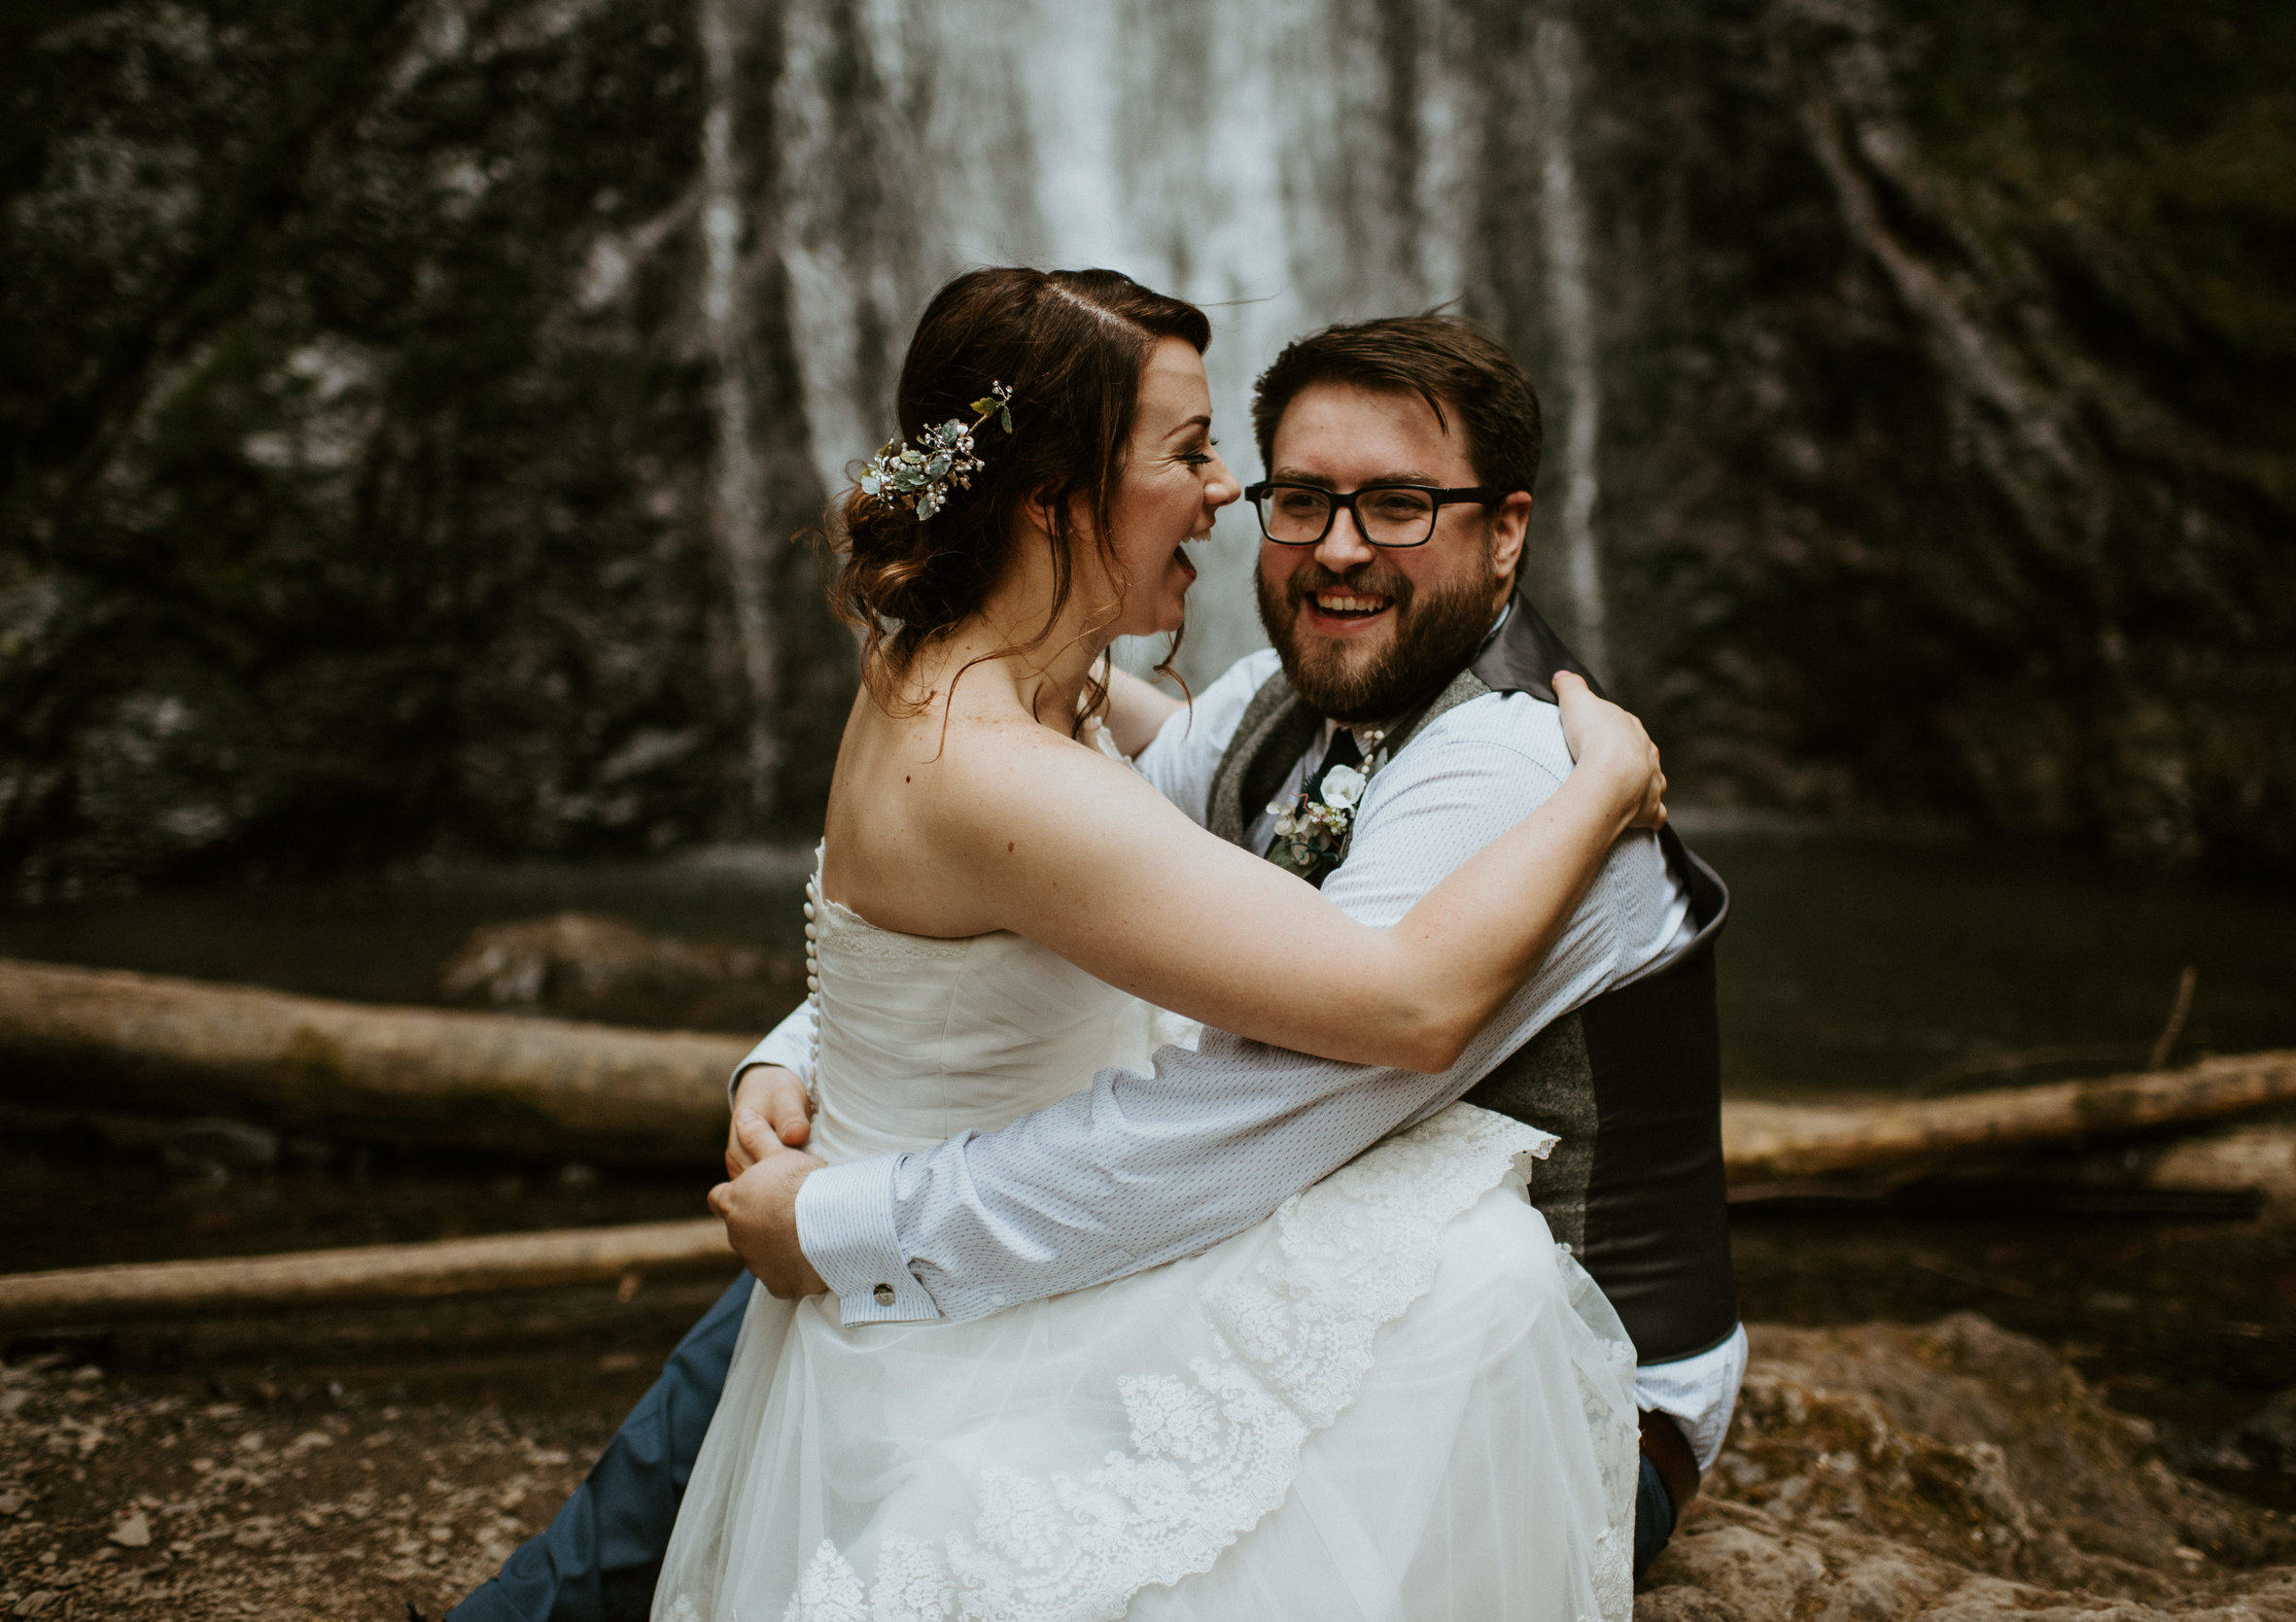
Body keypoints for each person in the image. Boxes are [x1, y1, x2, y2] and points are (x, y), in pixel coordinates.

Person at [451, 286, 1738, 1622]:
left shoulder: (1524, 759)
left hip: (1553, 1390)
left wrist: (844, 1217)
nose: (1318, 539)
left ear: (1507, 529)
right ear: (1057, 494)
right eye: (1296, 496)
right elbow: (1037, 904)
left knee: (878, 1288)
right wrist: (819, 1046)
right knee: (869, 1291)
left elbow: (1271, 1100)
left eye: (1399, 504)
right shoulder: (1259, 703)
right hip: (1295, 1231)